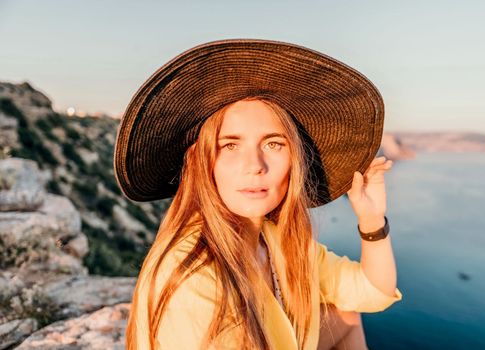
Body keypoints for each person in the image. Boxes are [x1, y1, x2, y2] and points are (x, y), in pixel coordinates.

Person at [113, 39, 403, 350]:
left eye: (273, 144)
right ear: (201, 162)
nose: (255, 166)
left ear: (295, 160)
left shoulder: (277, 240)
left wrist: (372, 221)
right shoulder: (195, 277)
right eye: (230, 145)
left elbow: (373, 291)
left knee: (343, 315)